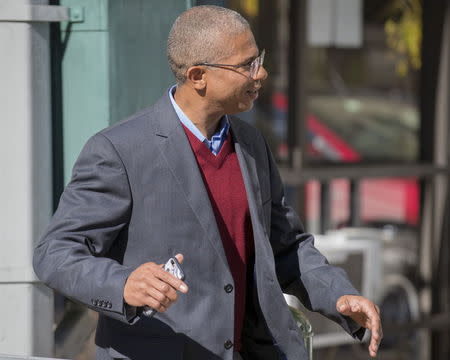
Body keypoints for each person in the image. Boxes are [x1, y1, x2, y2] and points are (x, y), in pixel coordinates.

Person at [33, 5, 382, 360]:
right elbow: (56, 253)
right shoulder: (119, 151)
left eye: (257, 58)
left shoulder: (251, 144)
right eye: (246, 65)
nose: (261, 73)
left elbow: (285, 246)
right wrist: (123, 284)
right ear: (198, 75)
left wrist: (337, 294)